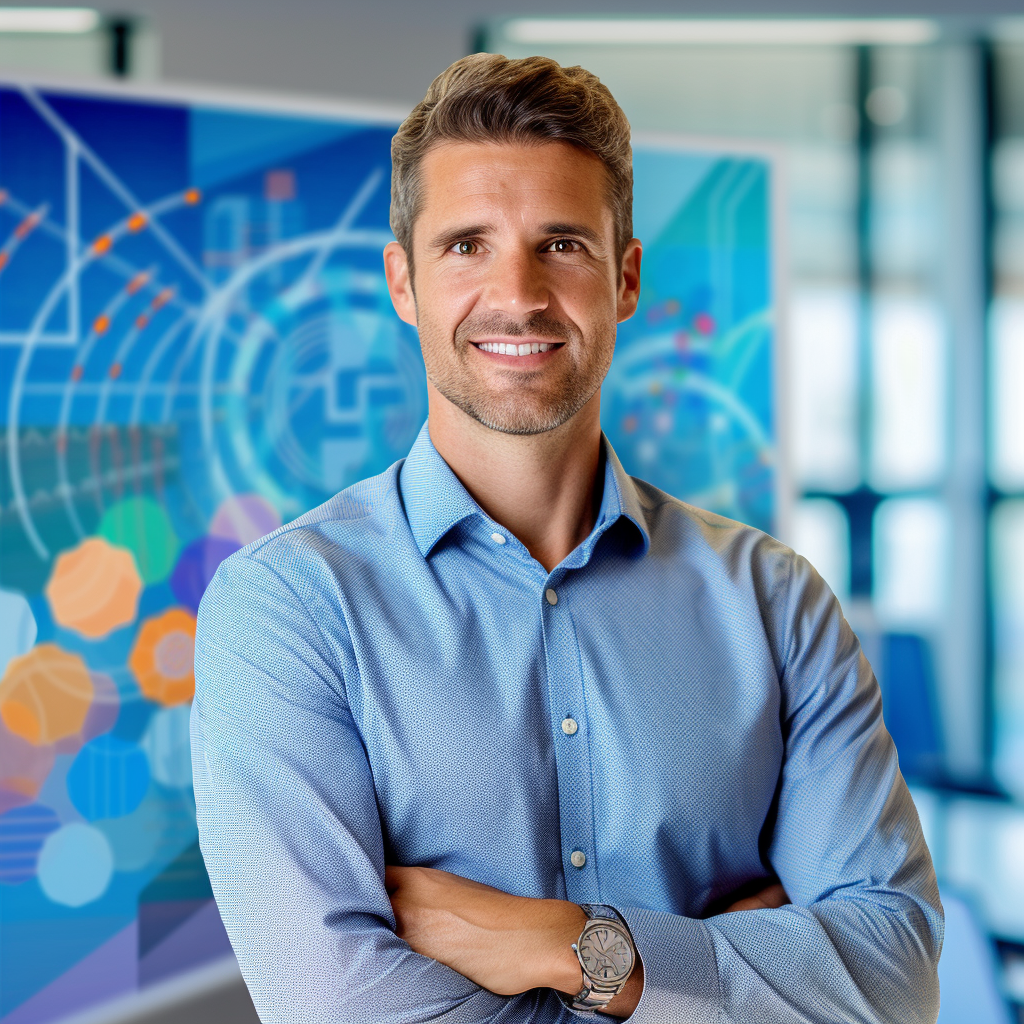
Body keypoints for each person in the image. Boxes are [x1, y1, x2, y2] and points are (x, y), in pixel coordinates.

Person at [191, 53, 943, 1023]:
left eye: (562, 245)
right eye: (466, 245)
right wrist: (720, 974)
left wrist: (563, 946)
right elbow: (340, 1007)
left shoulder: (774, 601)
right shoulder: (288, 609)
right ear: (402, 282)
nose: (518, 294)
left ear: (624, 278)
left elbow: (895, 977)